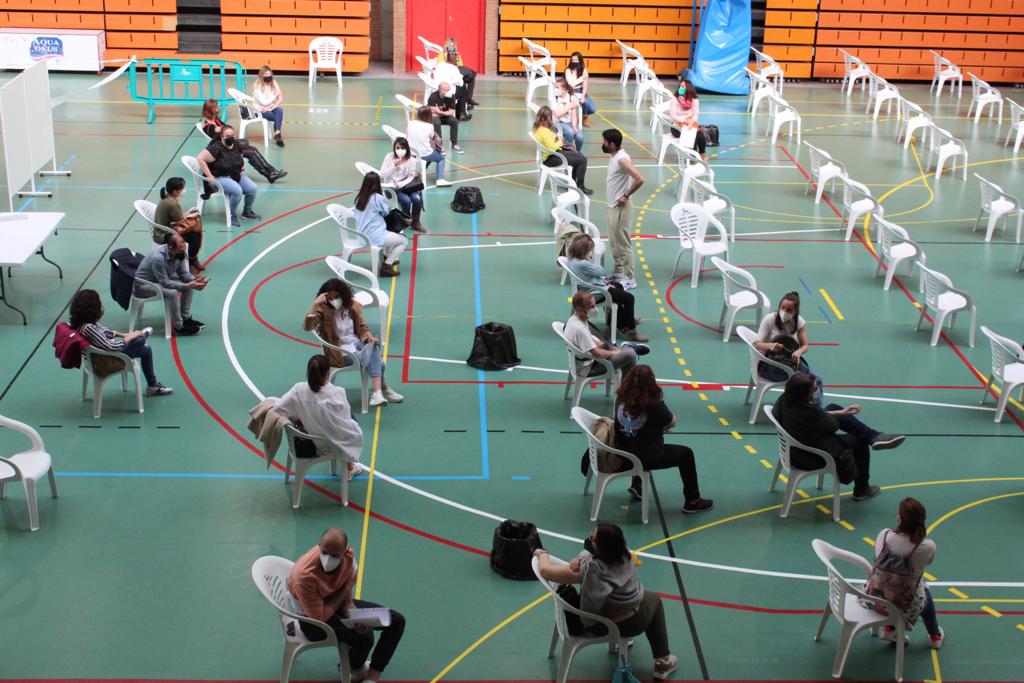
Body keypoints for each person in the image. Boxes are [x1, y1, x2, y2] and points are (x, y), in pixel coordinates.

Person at [533, 524, 679, 680]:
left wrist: (541, 553)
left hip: (608, 622)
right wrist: (580, 558)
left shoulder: (591, 569)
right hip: (625, 612)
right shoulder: (622, 553)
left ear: (601, 548)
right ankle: (663, 661)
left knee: (653, 601)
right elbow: (590, 552)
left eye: (593, 538)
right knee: (655, 600)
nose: (589, 539)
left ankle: (651, 654)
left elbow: (545, 571)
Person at [288, 528, 406, 682]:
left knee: (396, 621)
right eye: (324, 552)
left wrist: (353, 615)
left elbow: (347, 600)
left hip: (334, 602)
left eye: (335, 555)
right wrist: (346, 588)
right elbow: (320, 617)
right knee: (365, 636)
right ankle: (353, 666)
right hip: (312, 622)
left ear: (345, 551)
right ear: (319, 545)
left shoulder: (349, 558)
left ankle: (372, 676)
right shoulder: (304, 576)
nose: (328, 559)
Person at [772, 372, 906, 502]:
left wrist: (842, 412)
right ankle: (862, 488)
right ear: (804, 395)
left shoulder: (784, 399)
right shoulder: (811, 412)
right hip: (811, 456)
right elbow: (833, 426)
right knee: (859, 439)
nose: (818, 388)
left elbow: (778, 414)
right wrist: (836, 416)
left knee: (833, 407)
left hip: (792, 449)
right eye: (814, 389)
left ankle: (874, 437)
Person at [614, 365, 713, 513]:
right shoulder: (654, 405)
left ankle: (637, 484)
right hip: (644, 457)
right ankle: (693, 500)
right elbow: (672, 421)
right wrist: (661, 427)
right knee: (686, 454)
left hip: (621, 454)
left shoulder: (620, 398)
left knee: (639, 440)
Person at [303, 278, 405, 408]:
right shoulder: (322, 310)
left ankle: (378, 392)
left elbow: (362, 328)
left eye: (336, 296)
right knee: (378, 362)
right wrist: (315, 304)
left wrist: (368, 338)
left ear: (343, 294)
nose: (334, 300)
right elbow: (307, 327)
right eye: (330, 298)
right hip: (339, 352)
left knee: (372, 345)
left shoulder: (353, 306)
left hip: (355, 344)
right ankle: (381, 389)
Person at [69, 289, 172, 396]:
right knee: (139, 340)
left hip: (100, 358)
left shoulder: (83, 324)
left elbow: (105, 331)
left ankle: (152, 385)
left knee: (146, 350)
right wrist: (134, 335)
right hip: (106, 363)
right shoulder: (89, 328)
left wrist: (125, 335)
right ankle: (144, 335)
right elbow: (112, 347)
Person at [873, 498, 945, 649]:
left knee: (899, 588)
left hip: (876, 599)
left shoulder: (884, 535)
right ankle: (935, 635)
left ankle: (889, 629)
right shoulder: (927, 547)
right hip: (906, 606)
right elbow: (928, 563)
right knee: (924, 591)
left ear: (899, 518)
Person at [275, 355, 363, 478]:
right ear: (327, 373)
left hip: (308, 439)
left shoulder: (298, 389)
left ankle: (349, 466)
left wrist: (298, 418)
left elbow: (278, 408)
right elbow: (345, 423)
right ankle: (350, 467)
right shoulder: (337, 393)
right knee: (351, 419)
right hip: (332, 444)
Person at [566, 233, 646, 341]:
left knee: (618, 286)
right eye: (589, 251)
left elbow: (592, 276)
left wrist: (606, 283)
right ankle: (631, 330)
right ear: (583, 251)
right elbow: (601, 271)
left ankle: (618, 320)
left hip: (589, 288)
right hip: (595, 293)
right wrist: (591, 261)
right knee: (629, 298)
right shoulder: (584, 264)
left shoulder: (572, 260)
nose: (590, 253)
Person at [754, 292, 824, 404]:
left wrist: (799, 352)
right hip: (770, 365)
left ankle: (816, 409)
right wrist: (771, 346)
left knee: (817, 380)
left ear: (795, 311)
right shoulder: (769, 319)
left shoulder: (799, 322)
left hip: (790, 363)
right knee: (806, 383)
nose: (784, 312)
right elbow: (757, 344)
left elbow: (805, 345)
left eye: (789, 310)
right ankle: (801, 408)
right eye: (782, 307)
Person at [134, 233, 208, 336]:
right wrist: (187, 285)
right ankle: (179, 327)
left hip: (159, 281)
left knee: (188, 286)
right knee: (172, 293)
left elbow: (184, 274)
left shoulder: (180, 252)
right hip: (144, 285)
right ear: (171, 247)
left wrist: (195, 280)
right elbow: (165, 282)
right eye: (181, 242)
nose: (184, 244)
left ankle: (185, 318)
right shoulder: (158, 258)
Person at [564, 290, 647, 381]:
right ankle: (626, 388)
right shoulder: (580, 329)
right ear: (580, 310)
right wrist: (614, 353)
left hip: (583, 362)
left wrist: (608, 347)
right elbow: (598, 354)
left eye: (595, 305)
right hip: (589, 369)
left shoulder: (573, 319)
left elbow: (593, 341)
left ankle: (625, 387)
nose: (595, 309)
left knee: (623, 354)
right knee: (631, 355)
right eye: (592, 307)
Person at [199, 99, 286, 183]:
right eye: (216, 107)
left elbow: (227, 128)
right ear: (213, 109)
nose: (218, 108)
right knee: (251, 151)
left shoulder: (216, 120)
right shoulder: (208, 126)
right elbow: (221, 129)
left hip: (228, 146)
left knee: (252, 149)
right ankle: (270, 173)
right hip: (222, 151)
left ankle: (271, 172)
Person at [603, 129, 645, 289]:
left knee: (623, 243)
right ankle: (619, 271)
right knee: (614, 242)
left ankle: (630, 278)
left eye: (605, 142)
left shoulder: (622, 159)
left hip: (621, 207)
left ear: (612, 144)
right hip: (612, 205)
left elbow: (640, 179)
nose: (603, 144)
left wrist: (626, 195)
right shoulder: (615, 155)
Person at [196, 125, 261, 228]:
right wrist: (209, 176)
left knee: (252, 188)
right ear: (221, 137)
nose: (230, 138)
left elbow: (240, 154)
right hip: (220, 177)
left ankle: (247, 212)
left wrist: (241, 165)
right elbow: (200, 158)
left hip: (236, 174)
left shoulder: (236, 144)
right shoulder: (215, 147)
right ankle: (231, 215)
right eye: (227, 136)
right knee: (237, 191)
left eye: (232, 135)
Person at [353, 173, 408, 278]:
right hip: (375, 236)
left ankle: (386, 257)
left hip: (361, 235)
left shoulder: (359, 198)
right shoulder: (377, 198)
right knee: (403, 240)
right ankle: (387, 265)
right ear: (377, 184)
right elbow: (387, 212)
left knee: (390, 234)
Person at [531, 105, 591, 195]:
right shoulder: (543, 131)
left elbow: (549, 143)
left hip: (551, 155)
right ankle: (580, 186)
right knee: (582, 159)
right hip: (552, 158)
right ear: (548, 118)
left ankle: (573, 184)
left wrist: (556, 139)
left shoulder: (538, 128)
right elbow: (552, 147)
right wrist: (560, 140)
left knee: (579, 156)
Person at [154, 177, 204, 274]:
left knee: (195, 231)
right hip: (163, 235)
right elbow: (180, 219)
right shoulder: (171, 204)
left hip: (167, 228)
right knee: (194, 235)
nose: (184, 190)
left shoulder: (168, 199)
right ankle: (191, 262)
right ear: (175, 192)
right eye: (182, 188)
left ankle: (193, 258)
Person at [380, 137, 427, 234]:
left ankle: (416, 222)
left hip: (407, 187)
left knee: (417, 199)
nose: (400, 150)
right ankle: (406, 220)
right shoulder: (389, 157)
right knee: (406, 200)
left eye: (402, 148)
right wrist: (394, 166)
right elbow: (382, 174)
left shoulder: (411, 159)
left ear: (407, 149)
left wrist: (400, 184)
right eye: (397, 148)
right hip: (392, 188)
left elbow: (411, 176)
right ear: (394, 148)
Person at [406, 106, 452, 187]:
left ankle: (421, 172)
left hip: (411, 153)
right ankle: (440, 179)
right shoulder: (429, 126)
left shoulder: (411, 123)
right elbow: (432, 138)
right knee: (441, 157)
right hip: (424, 154)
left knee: (431, 153)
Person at [437, 38, 478, 118]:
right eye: (449, 45)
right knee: (471, 75)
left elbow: (460, 66)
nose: (451, 47)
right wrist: (447, 58)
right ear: (446, 46)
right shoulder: (441, 55)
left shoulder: (457, 54)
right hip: (447, 73)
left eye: (453, 46)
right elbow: (441, 67)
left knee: (471, 75)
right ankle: (468, 100)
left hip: (456, 70)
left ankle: (468, 100)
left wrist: (455, 59)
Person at [669, 79, 705, 157]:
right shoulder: (675, 98)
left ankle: (702, 156)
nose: (680, 88)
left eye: (682, 86)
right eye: (680, 86)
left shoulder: (694, 99)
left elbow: (695, 115)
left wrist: (691, 122)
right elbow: (673, 115)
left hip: (690, 123)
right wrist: (685, 121)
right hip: (677, 126)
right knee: (692, 136)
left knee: (701, 136)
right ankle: (693, 157)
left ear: (688, 88)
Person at [251, 65, 285, 147]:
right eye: (266, 75)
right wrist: (274, 96)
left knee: (279, 111)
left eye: (270, 74)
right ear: (261, 75)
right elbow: (264, 103)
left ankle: (277, 134)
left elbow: (280, 98)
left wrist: (272, 106)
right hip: (259, 110)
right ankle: (278, 135)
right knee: (275, 116)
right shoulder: (257, 86)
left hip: (270, 107)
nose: (268, 76)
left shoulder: (273, 83)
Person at [427, 83, 463, 153]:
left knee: (454, 121)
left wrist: (439, 112)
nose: (449, 92)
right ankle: (439, 145)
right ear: (441, 91)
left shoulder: (451, 96)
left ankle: (454, 144)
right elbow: (431, 114)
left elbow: (451, 112)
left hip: (444, 116)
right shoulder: (433, 97)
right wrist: (443, 113)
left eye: (449, 90)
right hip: (435, 117)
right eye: (447, 90)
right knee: (437, 122)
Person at [565, 51, 596, 127]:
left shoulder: (584, 71)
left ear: (580, 60)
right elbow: (571, 85)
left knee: (592, 109)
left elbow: (585, 86)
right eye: (573, 60)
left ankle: (585, 116)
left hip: (580, 90)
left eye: (576, 60)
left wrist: (583, 96)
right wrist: (582, 78)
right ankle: (577, 118)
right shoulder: (568, 70)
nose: (574, 62)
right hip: (570, 91)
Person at [552, 77, 584, 152]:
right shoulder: (554, 99)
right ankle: (567, 151)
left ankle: (578, 152)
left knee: (580, 136)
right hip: (558, 123)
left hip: (569, 123)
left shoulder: (571, 98)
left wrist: (574, 126)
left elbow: (574, 115)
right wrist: (568, 106)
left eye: (557, 87)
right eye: (555, 87)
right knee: (570, 133)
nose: (555, 89)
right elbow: (558, 114)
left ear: (565, 89)